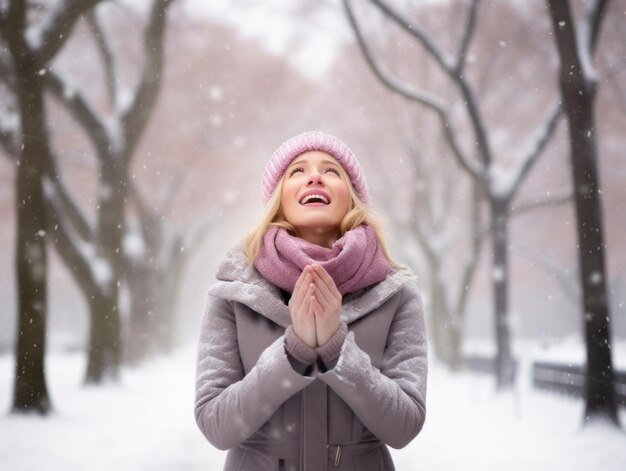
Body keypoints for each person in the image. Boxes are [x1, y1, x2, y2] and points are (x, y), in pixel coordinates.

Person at [194, 131, 428, 471]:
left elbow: (404, 424)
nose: (315, 176)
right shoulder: (234, 292)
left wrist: (337, 351)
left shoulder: (396, 293)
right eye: (297, 171)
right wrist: (293, 353)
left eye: (331, 170)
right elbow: (216, 424)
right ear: (279, 197)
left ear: (352, 198)